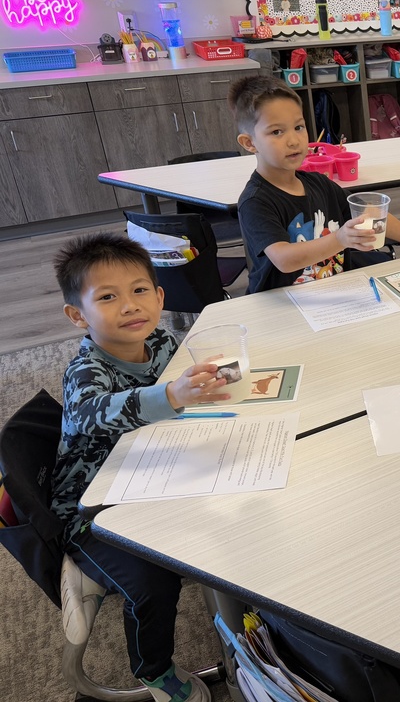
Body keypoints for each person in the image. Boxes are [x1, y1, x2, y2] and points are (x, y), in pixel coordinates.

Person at [52, 233, 233, 702]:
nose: (130, 305)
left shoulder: (161, 340)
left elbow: (181, 387)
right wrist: (170, 395)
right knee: (154, 583)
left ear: (160, 297)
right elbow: (90, 412)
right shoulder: (87, 369)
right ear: (77, 316)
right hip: (91, 510)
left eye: (139, 291)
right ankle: (154, 670)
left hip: (152, 472)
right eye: (107, 297)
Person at [229, 75, 400, 294]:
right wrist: (340, 239)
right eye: (276, 132)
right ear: (249, 143)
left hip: (334, 293)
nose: (293, 140)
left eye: (299, 127)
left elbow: (373, 215)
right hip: (283, 304)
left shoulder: (319, 183)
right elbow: (284, 260)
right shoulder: (256, 201)